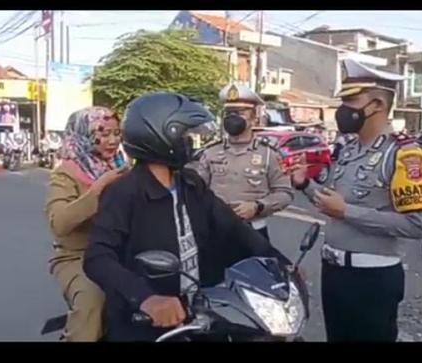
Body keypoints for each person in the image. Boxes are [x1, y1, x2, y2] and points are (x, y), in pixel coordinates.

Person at [83, 92, 293, 342]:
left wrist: (282, 264)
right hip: (145, 324)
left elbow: (233, 227)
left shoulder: (190, 184)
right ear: (160, 136)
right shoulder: (123, 193)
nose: (190, 143)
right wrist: (146, 298)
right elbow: (98, 257)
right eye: (184, 136)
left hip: (201, 314)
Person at [291, 59, 422, 342]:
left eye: (351, 100)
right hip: (334, 272)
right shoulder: (350, 149)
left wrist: (347, 212)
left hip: (372, 281)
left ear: (378, 104)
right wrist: (305, 184)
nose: (342, 110)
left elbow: (417, 226)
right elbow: (332, 202)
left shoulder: (405, 153)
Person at [45, 107, 128, 342]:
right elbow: (59, 223)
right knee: (93, 299)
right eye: (102, 134)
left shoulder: (122, 167)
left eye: (116, 133)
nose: (112, 141)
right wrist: (97, 190)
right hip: (78, 257)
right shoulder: (66, 174)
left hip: (120, 252)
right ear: (83, 136)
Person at [196, 83, 294, 241]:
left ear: (254, 117)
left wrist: (258, 206)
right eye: (229, 112)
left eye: (240, 112)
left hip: (253, 232)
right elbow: (197, 192)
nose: (233, 117)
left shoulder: (269, 154)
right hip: (216, 231)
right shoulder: (210, 152)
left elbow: (285, 194)